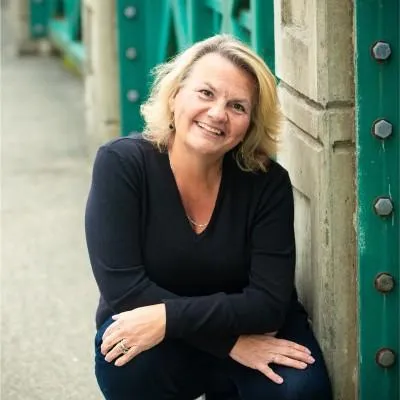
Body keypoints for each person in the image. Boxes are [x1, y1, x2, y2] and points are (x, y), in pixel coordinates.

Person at [85, 34, 332, 400]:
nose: (218, 113)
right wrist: (229, 343)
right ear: (174, 96)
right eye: (205, 93)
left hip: (251, 330)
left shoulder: (267, 184)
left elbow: (268, 304)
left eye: (237, 106)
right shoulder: (122, 164)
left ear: (250, 124)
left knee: (299, 392)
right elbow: (125, 290)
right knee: (126, 361)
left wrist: (169, 317)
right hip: (167, 338)